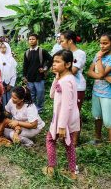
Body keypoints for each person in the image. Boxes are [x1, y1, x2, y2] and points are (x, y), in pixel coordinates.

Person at [43, 49, 80, 180]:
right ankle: (72, 170)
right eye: (53, 61)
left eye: (58, 61)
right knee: (67, 144)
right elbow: (52, 95)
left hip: (64, 119)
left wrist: (62, 126)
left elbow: (67, 105)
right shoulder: (64, 78)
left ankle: (53, 167)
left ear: (68, 64)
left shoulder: (66, 81)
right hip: (60, 117)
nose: (54, 64)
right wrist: (56, 78)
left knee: (52, 140)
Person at [60, 30, 86, 146]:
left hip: (77, 87)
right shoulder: (64, 53)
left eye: (62, 41)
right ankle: (65, 136)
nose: (60, 43)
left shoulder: (80, 54)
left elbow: (74, 71)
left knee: (75, 113)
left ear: (70, 41)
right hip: (64, 87)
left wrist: (59, 69)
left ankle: (74, 140)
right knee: (64, 111)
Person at [87, 32, 111, 144]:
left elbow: (101, 73)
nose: (102, 46)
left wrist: (99, 59)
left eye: (105, 43)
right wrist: (105, 78)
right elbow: (89, 72)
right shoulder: (98, 55)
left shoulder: (110, 57)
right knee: (97, 116)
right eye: (101, 43)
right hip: (96, 91)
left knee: (109, 122)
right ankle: (98, 138)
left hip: (108, 94)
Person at [23, 34, 52, 113]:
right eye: (30, 39)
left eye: (33, 39)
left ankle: (40, 108)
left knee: (40, 93)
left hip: (39, 77)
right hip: (30, 77)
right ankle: (32, 108)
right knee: (31, 94)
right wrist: (24, 76)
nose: (31, 40)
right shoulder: (27, 52)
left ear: (37, 40)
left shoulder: (42, 51)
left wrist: (45, 68)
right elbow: (25, 65)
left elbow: (51, 59)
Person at [0, 42, 17, 108]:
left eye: (4, 47)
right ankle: (3, 115)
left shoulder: (11, 59)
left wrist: (11, 84)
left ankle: (10, 115)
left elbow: (14, 73)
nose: (2, 49)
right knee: (2, 100)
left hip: (9, 84)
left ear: (7, 48)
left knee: (11, 99)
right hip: (0, 83)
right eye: (1, 47)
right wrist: (0, 83)